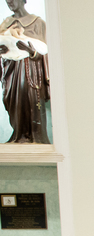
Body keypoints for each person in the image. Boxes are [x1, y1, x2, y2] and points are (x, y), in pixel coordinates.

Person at [0, 0, 49, 144]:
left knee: (29, 99)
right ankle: (18, 134)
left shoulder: (38, 23)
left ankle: (34, 137)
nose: (9, 1)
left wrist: (31, 51)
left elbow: (46, 53)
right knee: (13, 101)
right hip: (11, 71)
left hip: (31, 71)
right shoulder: (5, 24)